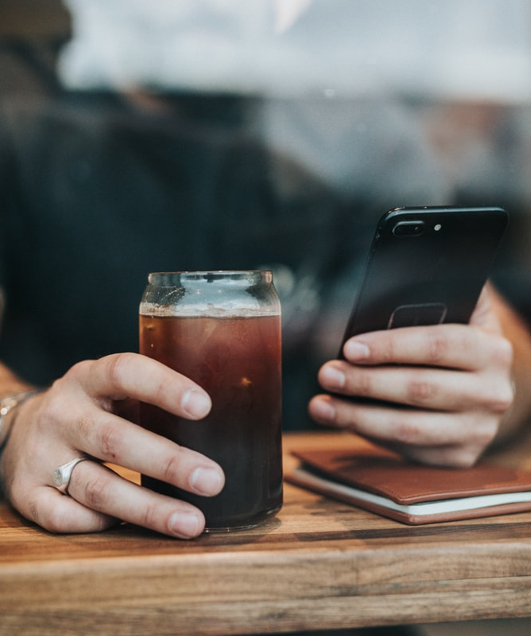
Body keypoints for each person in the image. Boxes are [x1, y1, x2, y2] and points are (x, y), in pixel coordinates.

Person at [1, 0, 531, 544]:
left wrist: (499, 388)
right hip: (106, 563)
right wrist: (14, 420)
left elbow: (499, 331)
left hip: (339, 561)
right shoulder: (20, 103)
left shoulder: (347, 117)